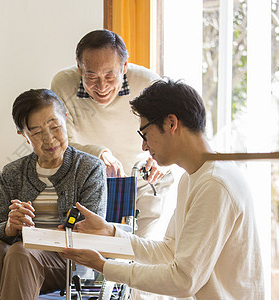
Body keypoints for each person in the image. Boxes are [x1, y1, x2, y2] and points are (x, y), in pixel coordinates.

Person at [60, 78, 265, 299]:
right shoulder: (193, 178)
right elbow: (169, 251)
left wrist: (104, 266)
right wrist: (112, 233)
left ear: (171, 123)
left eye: (144, 134)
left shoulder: (215, 184)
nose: (144, 146)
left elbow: (184, 280)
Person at [0, 89, 107, 300]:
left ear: (65, 119)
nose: (49, 139)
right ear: (24, 136)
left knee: (21, 251)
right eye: (37, 132)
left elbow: (91, 234)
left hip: (67, 264)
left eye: (55, 126)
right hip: (16, 260)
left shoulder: (89, 168)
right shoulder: (13, 172)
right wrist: (10, 227)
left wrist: (47, 236)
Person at [51, 29, 174, 239]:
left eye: (110, 76)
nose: (101, 86)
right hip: (93, 184)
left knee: (141, 252)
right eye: (92, 76)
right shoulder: (62, 84)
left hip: (143, 182)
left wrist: (162, 159)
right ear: (80, 69)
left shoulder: (149, 84)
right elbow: (60, 142)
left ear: (124, 67)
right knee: (94, 255)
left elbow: (173, 132)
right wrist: (98, 153)